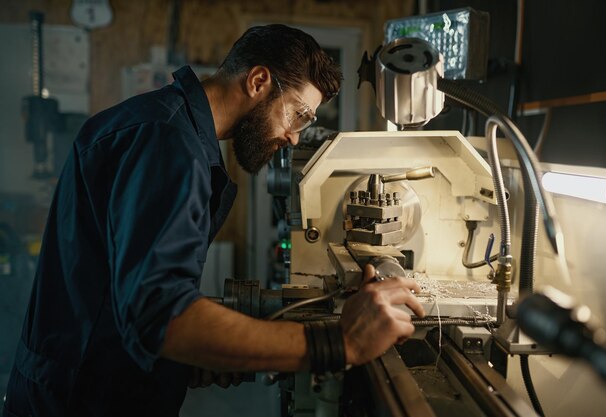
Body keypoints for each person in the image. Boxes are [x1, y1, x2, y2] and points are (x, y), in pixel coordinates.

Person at [2, 24, 424, 417]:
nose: (295, 136)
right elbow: (162, 317)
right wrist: (339, 342)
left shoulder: (169, 127)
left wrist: (185, 361)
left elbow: (126, 296)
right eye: (298, 114)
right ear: (258, 81)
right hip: (82, 400)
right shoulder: (169, 144)